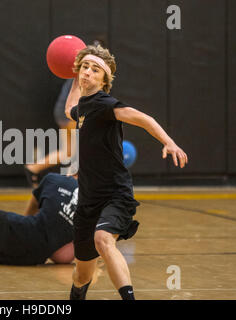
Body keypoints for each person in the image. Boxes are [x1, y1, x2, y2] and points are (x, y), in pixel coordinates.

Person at [65, 44, 188, 300]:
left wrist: (168, 141)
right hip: (88, 201)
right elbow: (70, 110)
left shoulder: (104, 103)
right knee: (81, 275)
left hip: (114, 195)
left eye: (94, 69)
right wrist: (73, 77)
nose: (88, 72)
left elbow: (141, 118)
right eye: (85, 67)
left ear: (104, 79)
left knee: (103, 239)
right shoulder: (85, 107)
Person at [0, 173, 78, 265]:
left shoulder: (54, 179)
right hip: (34, 258)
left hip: (24, 231)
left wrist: (25, 222)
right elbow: (64, 257)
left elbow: (34, 204)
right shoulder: (93, 207)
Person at [24, 79, 77, 188]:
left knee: (68, 152)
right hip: (69, 113)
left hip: (62, 111)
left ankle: (33, 168)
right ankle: (72, 183)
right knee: (79, 151)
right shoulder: (86, 74)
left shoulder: (80, 73)